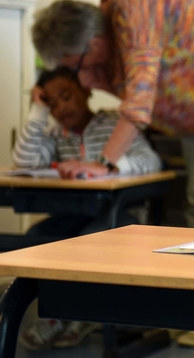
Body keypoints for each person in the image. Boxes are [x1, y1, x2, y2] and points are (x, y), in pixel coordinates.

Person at [31, 0, 194, 347]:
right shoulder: (98, 55)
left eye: (72, 64)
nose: (74, 73)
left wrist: (105, 162)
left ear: (93, 45)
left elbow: (141, 94)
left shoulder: (132, 5)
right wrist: (87, 76)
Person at [12, 66, 162, 351]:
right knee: (38, 238)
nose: (61, 107)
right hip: (73, 213)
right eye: (51, 103)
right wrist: (37, 113)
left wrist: (107, 168)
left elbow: (151, 161)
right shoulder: (56, 133)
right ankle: (59, 313)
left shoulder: (114, 124)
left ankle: (73, 315)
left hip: (119, 215)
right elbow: (24, 162)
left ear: (85, 91)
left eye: (66, 96)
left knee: (91, 243)